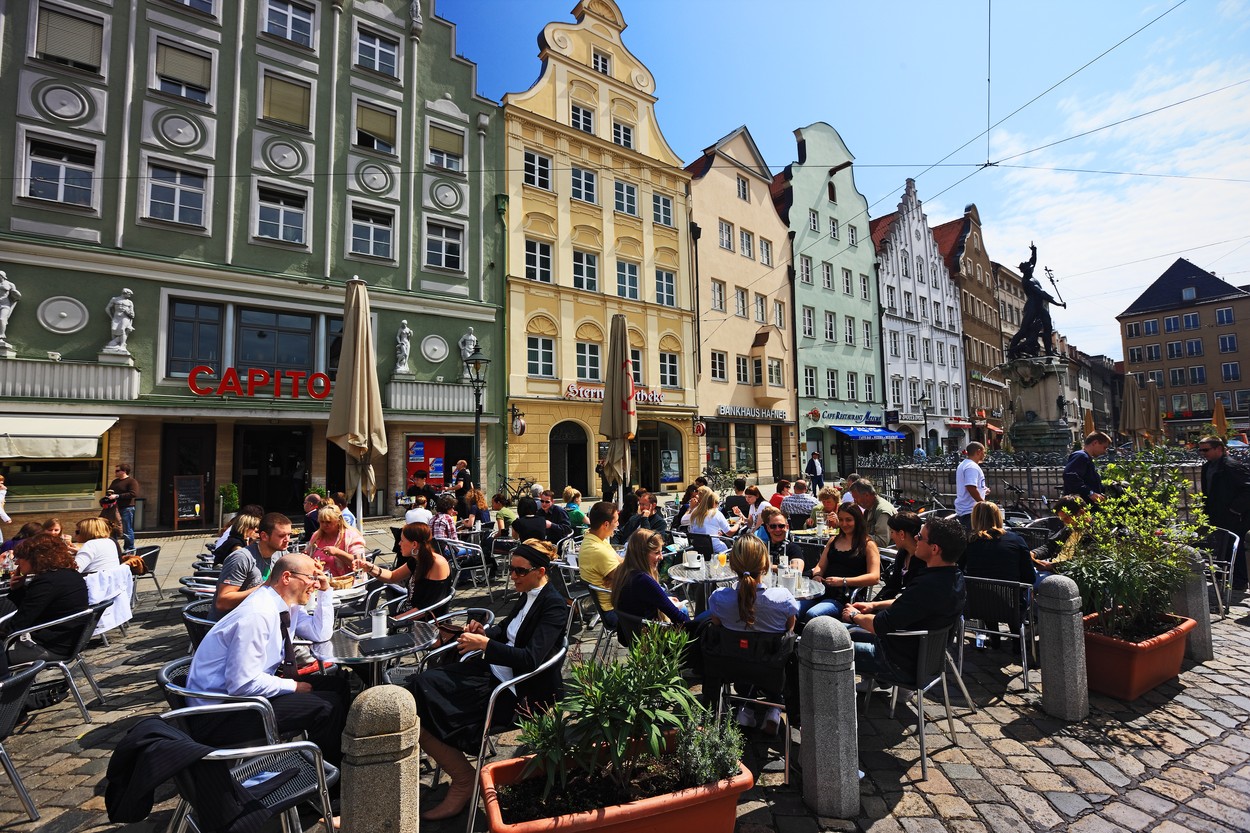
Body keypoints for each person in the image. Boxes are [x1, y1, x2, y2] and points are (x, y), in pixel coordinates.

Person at [407, 539, 567, 821]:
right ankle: (459, 775)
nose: (512, 576)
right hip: (493, 672)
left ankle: (462, 779)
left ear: (540, 571)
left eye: (519, 571)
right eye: (511, 570)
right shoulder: (528, 593)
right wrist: (486, 631)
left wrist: (484, 645)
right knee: (416, 690)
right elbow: (508, 629)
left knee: (421, 694)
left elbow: (531, 659)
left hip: (518, 691)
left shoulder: (553, 606)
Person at [187, 553, 347, 765]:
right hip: (222, 713)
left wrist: (326, 592)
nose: (315, 584)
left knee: (339, 685)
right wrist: (293, 686)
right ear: (287, 577)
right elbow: (242, 683)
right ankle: (326, 779)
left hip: (246, 697)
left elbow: (320, 633)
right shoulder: (257, 614)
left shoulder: (285, 605)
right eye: (311, 578)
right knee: (327, 706)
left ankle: (335, 759)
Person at [841, 515, 967, 686]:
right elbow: (910, 603)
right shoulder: (955, 577)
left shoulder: (927, 586)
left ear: (935, 549)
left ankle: (830, 706)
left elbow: (880, 625)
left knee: (824, 643)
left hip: (897, 663)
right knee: (842, 632)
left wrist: (854, 615)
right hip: (925, 658)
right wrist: (873, 605)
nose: (916, 538)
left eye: (920, 537)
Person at [707, 535, 798, 733]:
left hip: (733, 667)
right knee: (774, 651)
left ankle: (746, 708)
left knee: (744, 647)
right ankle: (774, 707)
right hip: (772, 670)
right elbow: (790, 629)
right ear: (765, 565)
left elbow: (717, 626)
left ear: (732, 566)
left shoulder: (718, 598)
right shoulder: (782, 598)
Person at [1, 534, 90, 667]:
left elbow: (20, 623)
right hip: (67, 642)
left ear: (35, 558)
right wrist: (18, 589)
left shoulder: (47, 582)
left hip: (49, 647)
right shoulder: (69, 574)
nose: (17, 562)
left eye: (20, 558)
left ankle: (9, 686)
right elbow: (30, 609)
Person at [961, 502, 1036, 647]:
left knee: (986, 593)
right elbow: (1030, 577)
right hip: (1011, 603)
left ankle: (994, 639)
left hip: (978, 604)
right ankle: (1016, 641)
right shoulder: (1016, 540)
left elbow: (959, 569)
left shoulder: (968, 542)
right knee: (1012, 594)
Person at [801, 504, 881, 622]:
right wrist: (817, 575)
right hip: (822, 590)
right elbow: (821, 565)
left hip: (845, 596)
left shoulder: (868, 544)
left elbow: (874, 577)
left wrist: (843, 581)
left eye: (848, 520)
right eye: (841, 520)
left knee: (813, 614)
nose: (844, 524)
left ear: (858, 520)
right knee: (792, 609)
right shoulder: (833, 540)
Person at [355, 522, 452, 614]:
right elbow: (392, 576)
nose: (399, 544)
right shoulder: (418, 559)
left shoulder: (437, 564)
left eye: (402, 540)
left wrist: (393, 621)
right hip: (408, 616)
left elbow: (427, 608)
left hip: (426, 624)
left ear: (414, 544)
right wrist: (370, 568)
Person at [213, 513, 292, 619]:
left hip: (262, 617)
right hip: (233, 624)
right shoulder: (241, 558)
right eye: (282, 536)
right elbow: (223, 602)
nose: (288, 540)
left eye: (289, 535)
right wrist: (264, 587)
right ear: (264, 536)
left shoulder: (281, 553)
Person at [1197, 436, 1250, 591]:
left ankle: (1239, 581)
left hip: (1234, 517)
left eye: (1205, 450)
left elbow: (1248, 488)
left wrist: (1235, 509)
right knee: (1221, 545)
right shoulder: (1207, 467)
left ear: (1218, 449)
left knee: (1235, 547)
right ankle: (1224, 577)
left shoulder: (1232, 466)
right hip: (1216, 514)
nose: (1202, 453)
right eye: (1200, 450)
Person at [611, 529, 690, 625]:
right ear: (642, 554)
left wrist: (666, 600)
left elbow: (641, 600)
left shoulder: (622, 571)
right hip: (651, 635)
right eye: (657, 553)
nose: (661, 557)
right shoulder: (643, 580)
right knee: (692, 613)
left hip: (629, 634)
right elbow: (679, 619)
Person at [578, 502, 622, 627]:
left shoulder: (594, 539)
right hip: (615, 611)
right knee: (674, 610)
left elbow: (621, 562)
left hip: (615, 604)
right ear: (606, 524)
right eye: (616, 521)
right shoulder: (598, 550)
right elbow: (626, 578)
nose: (618, 524)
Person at [306, 504, 367, 577]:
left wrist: (338, 553)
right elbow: (308, 554)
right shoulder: (317, 536)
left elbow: (361, 563)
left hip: (345, 582)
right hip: (320, 581)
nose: (325, 525)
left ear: (338, 521)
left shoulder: (351, 536)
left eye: (328, 522)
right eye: (322, 522)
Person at [877, 511, 925, 601]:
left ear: (902, 534)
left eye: (892, 532)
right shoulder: (902, 553)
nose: (891, 537)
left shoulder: (924, 559)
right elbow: (893, 585)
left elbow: (913, 598)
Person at [681, 487, 740, 554]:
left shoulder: (694, 512)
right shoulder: (716, 513)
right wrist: (738, 523)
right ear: (713, 502)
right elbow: (730, 533)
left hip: (697, 548)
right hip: (715, 549)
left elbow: (687, 525)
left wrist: (690, 508)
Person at [1064, 432, 1111, 503]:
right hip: (1081, 505)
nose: (1104, 451)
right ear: (1095, 443)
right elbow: (1070, 475)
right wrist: (1090, 493)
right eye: (1104, 447)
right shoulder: (1081, 456)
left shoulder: (1085, 457)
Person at [849, 479, 896, 548]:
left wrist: (855, 536)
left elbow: (882, 542)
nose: (855, 501)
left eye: (856, 498)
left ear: (867, 495)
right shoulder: (869, 508)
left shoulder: (882, 512)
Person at [108, 463, 141, 551]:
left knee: (127, 529)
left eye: (117, 470)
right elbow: (110, 491)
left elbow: (134, 493)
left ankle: (129, 549)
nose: (115, 472)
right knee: (113, 528)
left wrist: (118, 496)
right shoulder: (115, 481)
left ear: (124, 471)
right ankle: (114, 548)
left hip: (127, 508)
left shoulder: (131, 481)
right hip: (114, 508)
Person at [954, 442, 988, 529]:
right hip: (970, 511)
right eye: (984, 452)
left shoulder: (964, 464)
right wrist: (983, 504)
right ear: (978, 451)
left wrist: (983, 489)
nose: (984, 455)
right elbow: (970, 487)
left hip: (966, 511)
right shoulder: (971, 467)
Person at [104, 288, 135, 352]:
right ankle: (115, 344)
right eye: (129, 294)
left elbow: (132, 314)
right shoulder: (115, 299)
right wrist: (111, 317)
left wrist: (128, 312)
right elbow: (107, 308)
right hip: (116, 317)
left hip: (125, 317)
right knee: (113, 329)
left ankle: (122, 345)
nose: (130, 296)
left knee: (122, 329)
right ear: (125, 293)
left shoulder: (129, 302)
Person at [0, 270, 20, 346]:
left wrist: (17, 295)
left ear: (2, 276)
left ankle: (1, 335)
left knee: (2, 319)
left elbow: (15, 295)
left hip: (5, 304)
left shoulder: (10, 284)